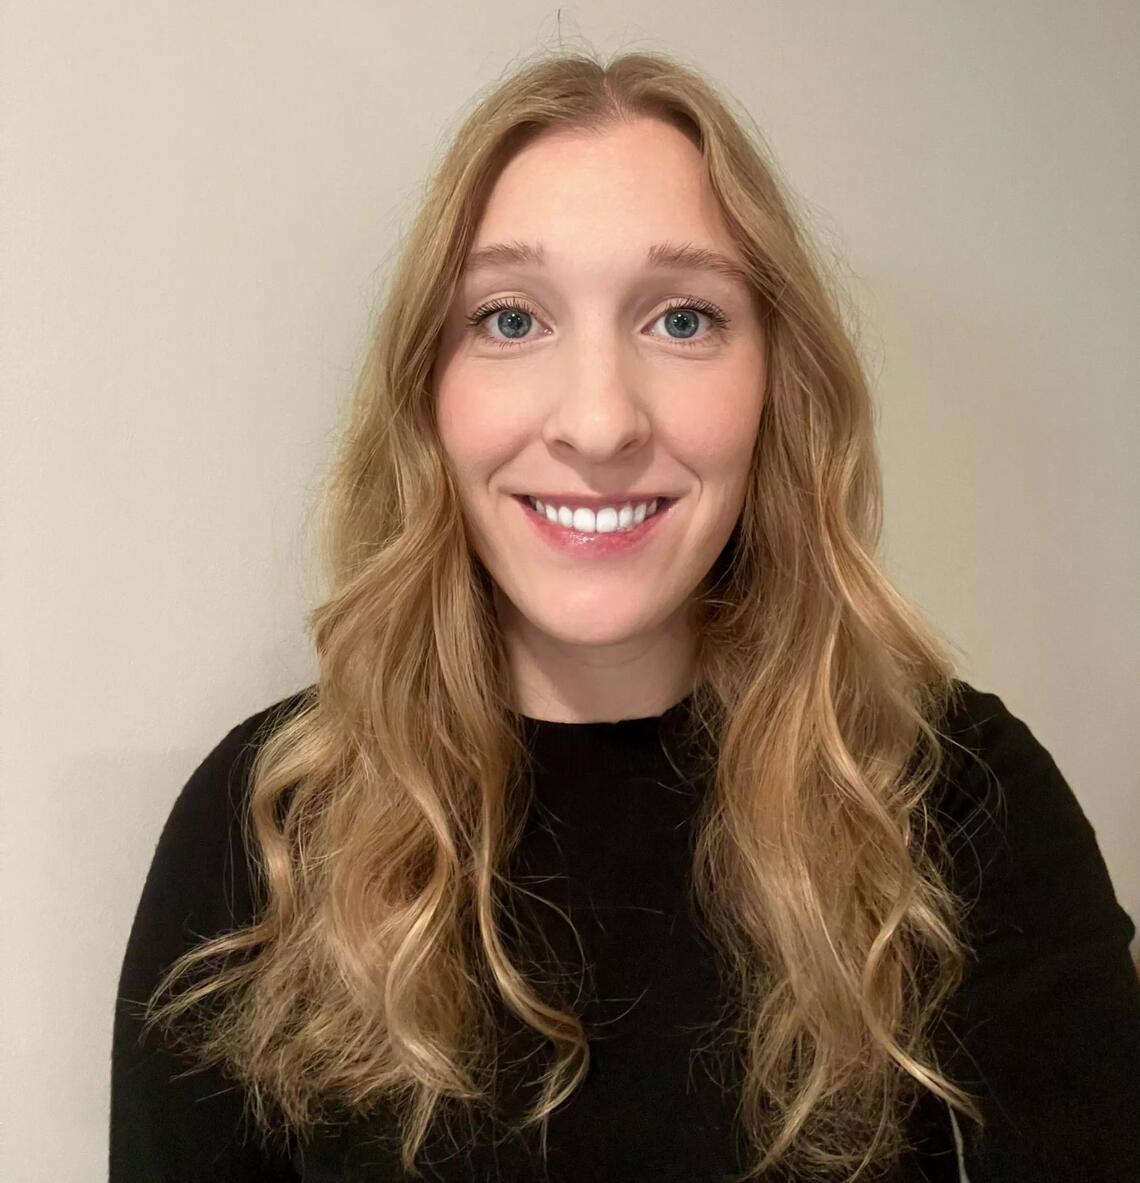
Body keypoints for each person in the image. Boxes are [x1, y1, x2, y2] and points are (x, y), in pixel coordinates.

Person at [110, 48, 1140, 1182]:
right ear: (427, 393)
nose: (599, 424)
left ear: (773, 391)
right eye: (509, 319)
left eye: (684, 319)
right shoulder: (262, 831)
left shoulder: (958, 803)